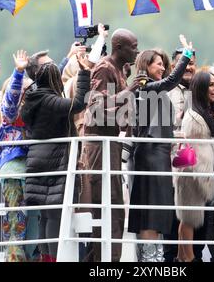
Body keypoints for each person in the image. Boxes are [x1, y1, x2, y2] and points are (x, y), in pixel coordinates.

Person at [128, 35, 193, 262]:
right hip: (150, 155)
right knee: (150, 210)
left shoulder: (154, 89)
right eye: (159, 63)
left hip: (160, 152)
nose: (163, 67)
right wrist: (185, 55)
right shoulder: (144, 86)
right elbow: (170, 82)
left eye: (164, 64)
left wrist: (175, 135)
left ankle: (153, 257)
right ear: (146, 65)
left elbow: (152, 122)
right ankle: (150, 260)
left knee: (158, 209)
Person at [79, 28, 142, 262]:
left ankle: (106, 259)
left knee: (115, 205)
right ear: (119, 48)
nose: (136, 51)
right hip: (99, 145)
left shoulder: (120, 70)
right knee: (105, 203)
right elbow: (94, 108)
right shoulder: (105, 68)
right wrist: (130, 91)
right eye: (133, 47)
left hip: (112, 143)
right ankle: (104, 261)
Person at [21, 55, 91, 262]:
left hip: (36, 159)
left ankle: (46, 258)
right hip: (54, 159)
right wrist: (84, 73)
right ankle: (54, 258)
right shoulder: (49, 100)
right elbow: (79, 104)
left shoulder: (33, 99)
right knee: (54, 215)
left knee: (45, 215)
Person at [0, 50, 40, 262]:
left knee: (34, 225)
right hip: (13, 172)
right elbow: (11, 101)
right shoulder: (8, 115)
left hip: (30, 170)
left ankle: (28, 257)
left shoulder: (31, 115)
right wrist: (19, 73)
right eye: (25, 91)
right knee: (15, 224)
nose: (29, 94)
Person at [174, 71, 214, 262]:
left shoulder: (210, 109)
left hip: (198, 168)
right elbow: (195, 148)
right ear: (201, 88)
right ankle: (190, 259)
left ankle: (180, 258)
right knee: (189, 218)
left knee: (189, 217)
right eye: (211, 85)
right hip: (191, 168)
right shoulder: (193, 115)